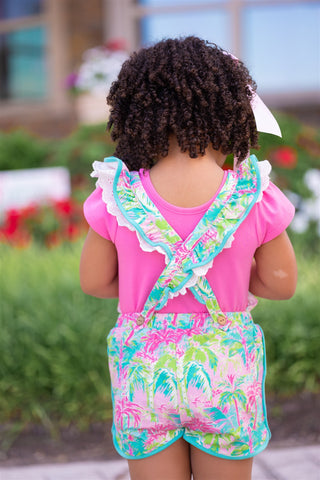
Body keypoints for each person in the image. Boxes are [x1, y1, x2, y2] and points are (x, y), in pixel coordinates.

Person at [80, 37, 297, 480]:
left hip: (145, 375)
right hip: (224, 377)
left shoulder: (116, 195)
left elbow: (95, 282)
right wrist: (233, 277)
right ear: (231, 110)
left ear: (136, 113)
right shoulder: (251, 193)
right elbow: (280, 284)